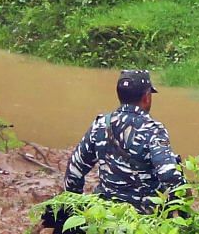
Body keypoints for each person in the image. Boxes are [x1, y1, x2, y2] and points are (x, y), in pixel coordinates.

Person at [63, 68, 184, 219]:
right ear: (147, 97)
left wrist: (76, 211)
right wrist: (184, 205)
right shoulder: (153, 130)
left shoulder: (100, 124)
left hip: (106, 216)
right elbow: (169, 174)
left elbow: (74, 169)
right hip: (143, 220)